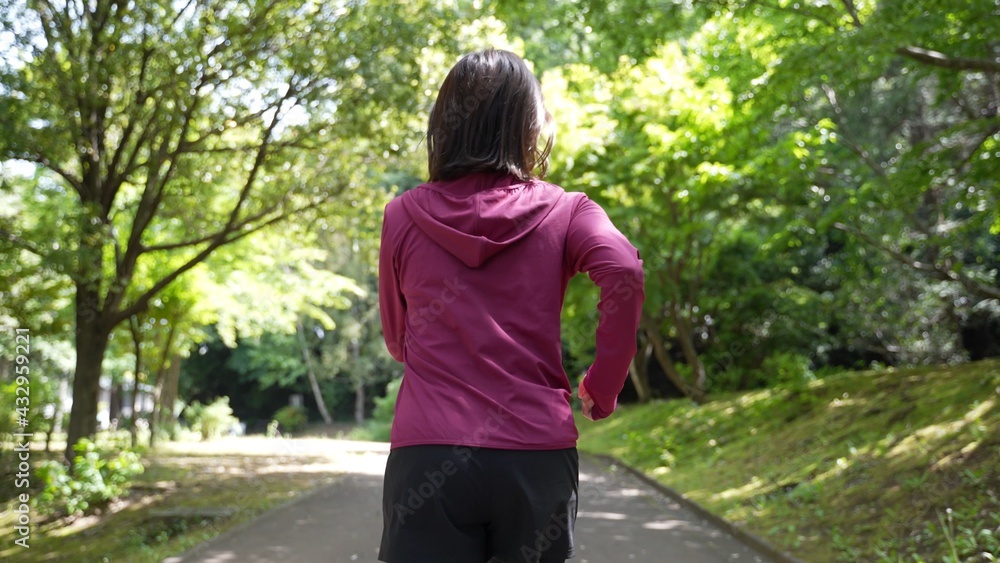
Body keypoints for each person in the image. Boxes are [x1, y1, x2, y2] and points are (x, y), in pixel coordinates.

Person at [378, 48, 644, 563]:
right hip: (534, 456)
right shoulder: (569, 211)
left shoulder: (401, 216)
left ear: (445, 124)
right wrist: (602, 385)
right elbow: (625, 272)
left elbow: (397, 340)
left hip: (428, 452)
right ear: (528, 123)